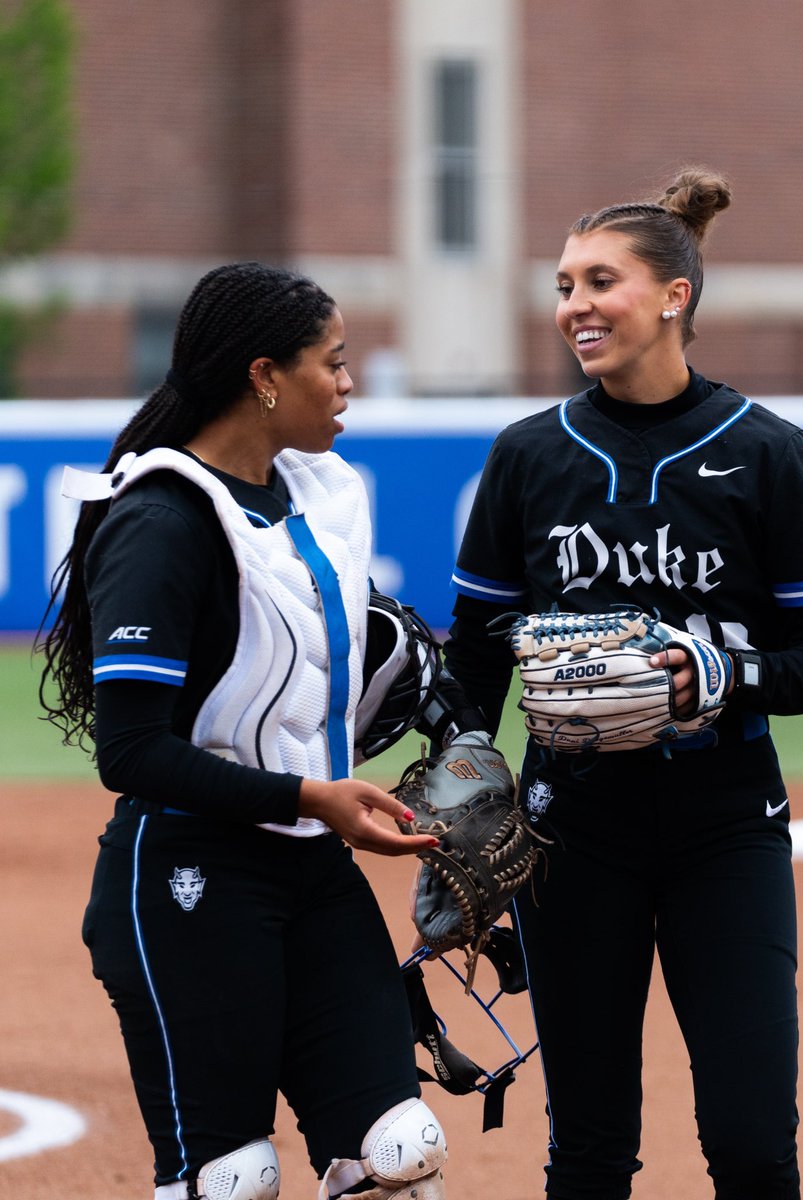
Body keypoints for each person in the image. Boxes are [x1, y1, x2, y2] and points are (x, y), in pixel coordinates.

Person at [442, 168, 803, 1200]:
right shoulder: (529, 456)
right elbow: (476, 655)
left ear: (676, 295)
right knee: (588, 1147)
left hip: (725, 824)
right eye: (563, 284)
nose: (574, 306)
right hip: (571, 830)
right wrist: (462, 807)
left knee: (754, 1141)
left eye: (601, 281)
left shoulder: (769, 454)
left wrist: (727, 673)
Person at [38, 262, 452, 1200]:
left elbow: (349, 656)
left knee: (399, 1153)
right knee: (230, 1178)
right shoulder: (160, 518)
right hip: (187, 879)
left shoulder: (311, 496)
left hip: (312, 871)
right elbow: (130, 752)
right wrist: (313, 797)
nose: (350, 383)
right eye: (333, 363)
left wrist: (449, 716)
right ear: (265, 375)